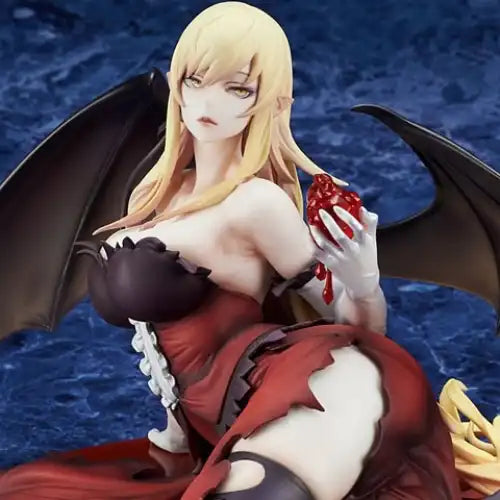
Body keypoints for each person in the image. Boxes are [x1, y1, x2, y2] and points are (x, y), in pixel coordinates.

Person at [0, 2, 497, 499]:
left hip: (310, 377)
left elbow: (359, 330)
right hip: (221, 417)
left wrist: (363, 284)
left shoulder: (257, 204)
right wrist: (176, 438)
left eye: (237, 88)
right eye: (195, 80)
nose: (208, 102)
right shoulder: (150, 192)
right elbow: (160, 342)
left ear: (270, 102)